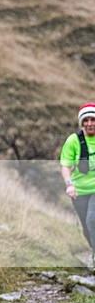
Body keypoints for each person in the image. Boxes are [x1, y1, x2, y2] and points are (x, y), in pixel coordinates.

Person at [61, 103, 95, 267]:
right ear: (81, 123)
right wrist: (69, 185)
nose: (89, 123)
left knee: (92, 220)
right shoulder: (74, 141)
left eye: (93, 119)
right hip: (79, 191)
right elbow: (66, 166)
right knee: (86, 228)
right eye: (86, 120)